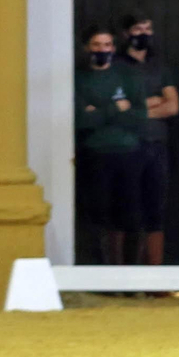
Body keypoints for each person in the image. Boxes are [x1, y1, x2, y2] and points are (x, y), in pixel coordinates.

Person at [74, 26, 148, 266]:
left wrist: (99, 112)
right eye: (96, 45)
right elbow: (82, 120)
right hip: (96, 154)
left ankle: (130, 278)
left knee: (132, 217)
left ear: (114, 48)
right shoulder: (79, 78)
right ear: (87, 48)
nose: (102, 49)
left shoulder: (128, 76)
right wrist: (116, 108)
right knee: (98, 217)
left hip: (129, 153)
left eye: (106, 45)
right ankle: (103, 275)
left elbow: (139, 116)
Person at [117, 13, 179, 268]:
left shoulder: (160, 67)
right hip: (125, 147)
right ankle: (123, 277)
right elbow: (118, 109)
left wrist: (138, 109)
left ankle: (155, 276)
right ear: (125, 33)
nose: (143, 33)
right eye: (137, 28)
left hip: (156, 147)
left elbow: (173, 106)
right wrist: (154, 103)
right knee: (126, 211)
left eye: (147, 28)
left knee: (156, 211)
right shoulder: (116, 66)